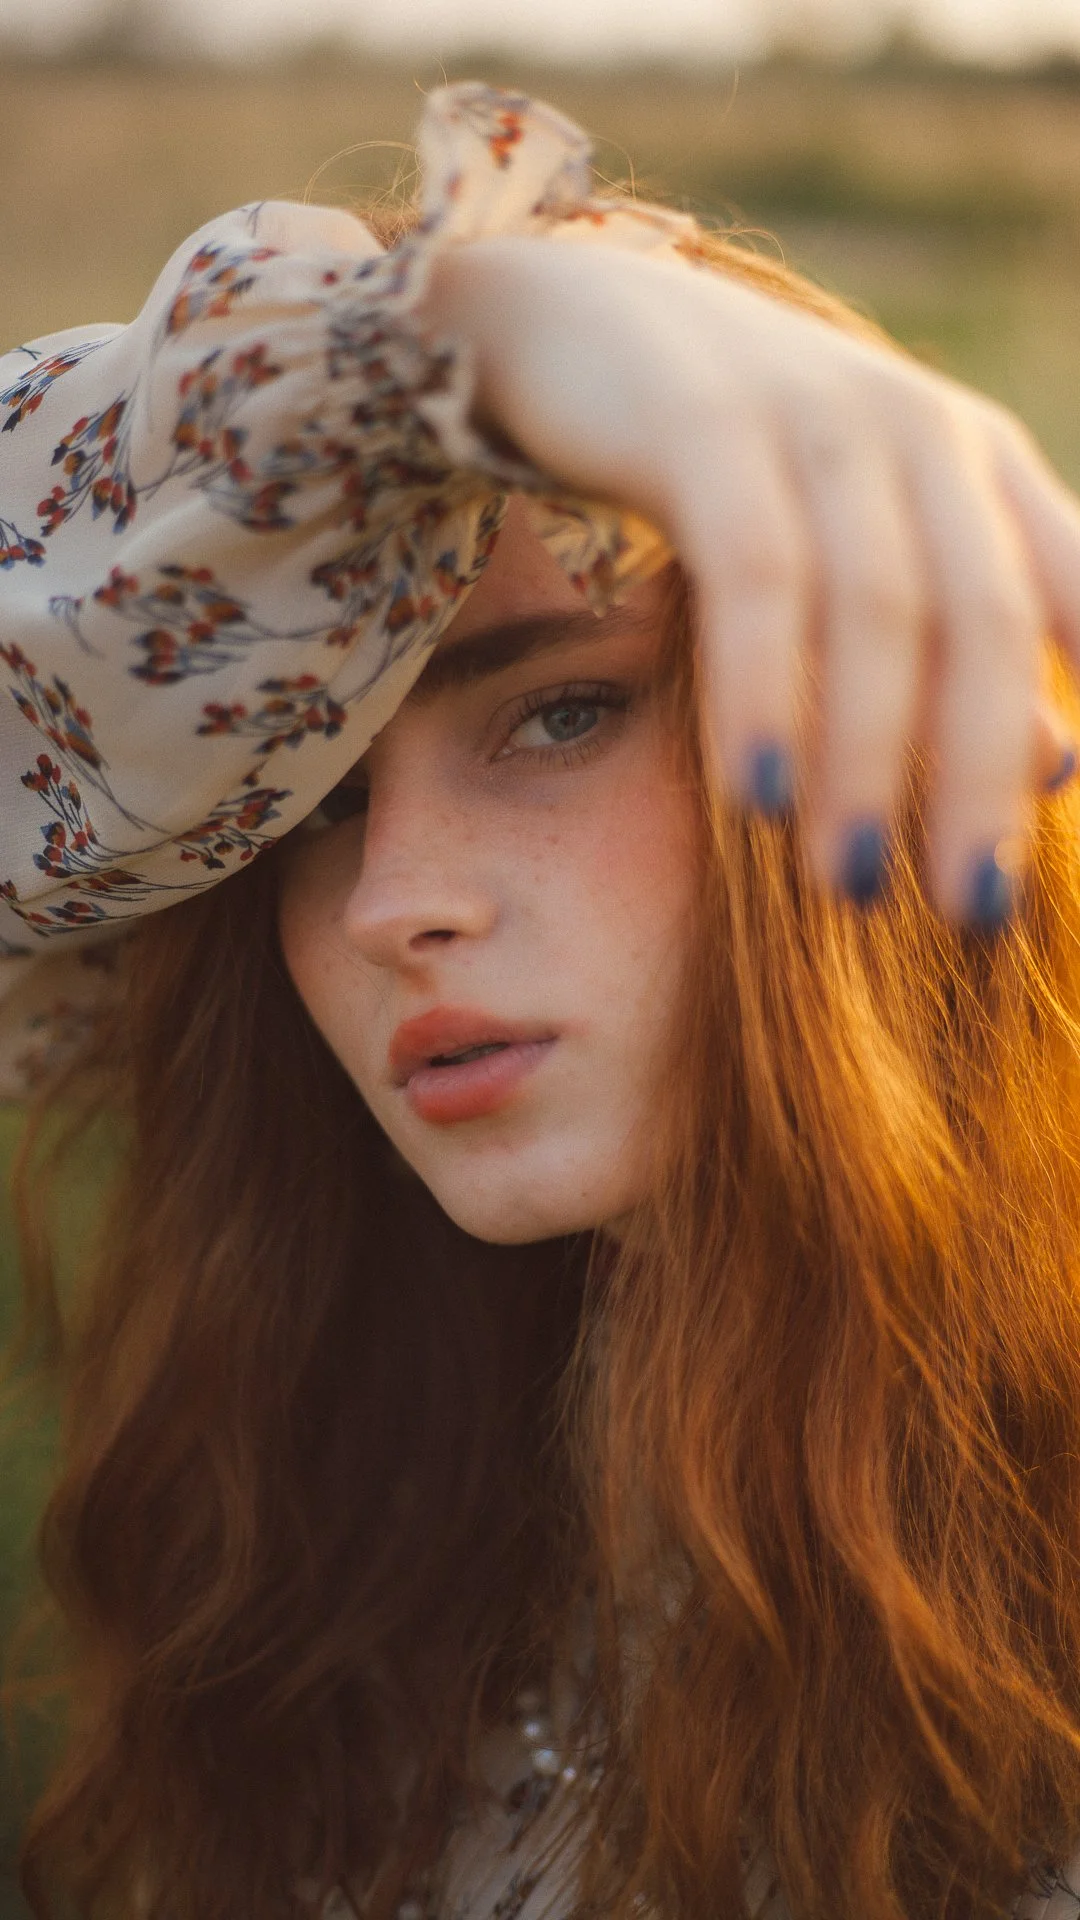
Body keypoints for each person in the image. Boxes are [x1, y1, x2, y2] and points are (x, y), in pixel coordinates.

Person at [3, 77, 1080, 1920]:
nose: (393, 907)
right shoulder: (355, 1542)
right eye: (312, 808)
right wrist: (433, 336)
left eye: (561, 710)